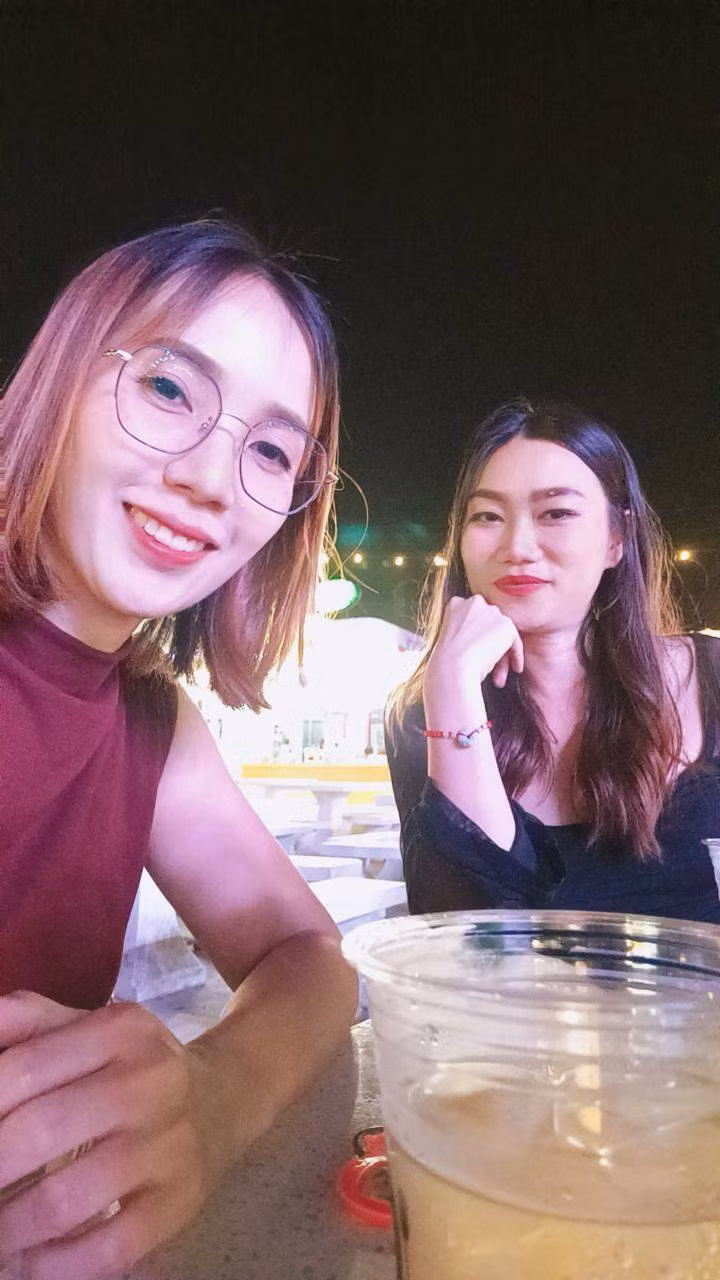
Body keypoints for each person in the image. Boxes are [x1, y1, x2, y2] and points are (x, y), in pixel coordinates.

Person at [0, 219, 358, 1280]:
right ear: (63, 373)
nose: (211, 477)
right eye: (167, 388)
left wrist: (218, 1093)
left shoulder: (151, 723)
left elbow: (311, 956)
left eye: (270, 451)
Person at [386, 399, 720, 922]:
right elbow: (461, 932)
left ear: (616, 538)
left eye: (557, 513)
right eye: (487, 516)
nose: (517, 547)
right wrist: (450, 688)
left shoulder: (710, 678)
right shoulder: (423, 713)